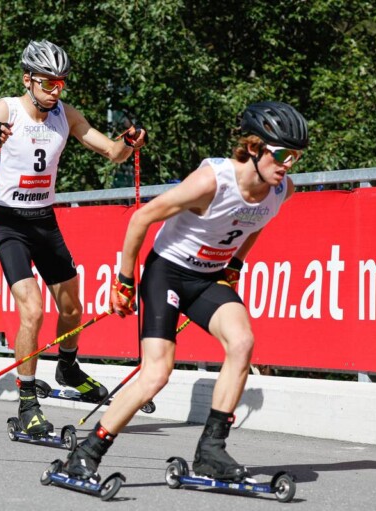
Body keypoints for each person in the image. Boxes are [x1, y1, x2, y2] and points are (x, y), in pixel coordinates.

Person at [63, 101, 308, 482]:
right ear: (255, 147)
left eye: (296, 157)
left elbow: (259, 220)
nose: (288, 165)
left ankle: (211, 450)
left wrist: (235, 264)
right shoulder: (212, 181)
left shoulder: (280, 189)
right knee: (156, 373)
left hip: (208, 278)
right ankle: (88, 451)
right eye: (282, 155)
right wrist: (124, 281)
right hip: (169, 273)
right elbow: (142, 217)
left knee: (241, 341)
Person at [0, 40, 146, 436]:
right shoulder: (6, 110)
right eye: (49, 84)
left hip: (44, 221)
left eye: (61, 83)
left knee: (73, 308)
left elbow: (112, 152)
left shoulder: (65, 115)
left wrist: (129, 140)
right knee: (33, 310)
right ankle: (26, 404)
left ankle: (68, 366)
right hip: (9, 223)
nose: (57, 91)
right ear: (28, 80)